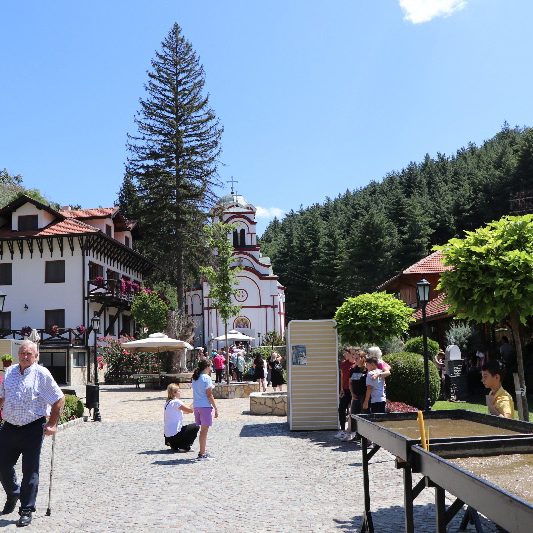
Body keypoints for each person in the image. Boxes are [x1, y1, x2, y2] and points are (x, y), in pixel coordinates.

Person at [0, 340, 65, 527]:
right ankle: (14, 493)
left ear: (36, 356)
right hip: (9, 426)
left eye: (29, 353)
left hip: (32, 428)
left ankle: (26, 509)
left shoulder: (41, 374)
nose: (25, 356)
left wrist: (52, 424)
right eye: (22, 353)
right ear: (18, 355)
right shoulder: (10, 372)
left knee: (29, 470)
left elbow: (59, 399)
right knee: (2, 465)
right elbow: (2, 397)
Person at [192, 360, 219, 460]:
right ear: (206, 367)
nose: (211, 368)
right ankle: (202, 453)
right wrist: (215, 408)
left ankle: (202, 451)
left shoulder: (195, 378)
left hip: (197, 406)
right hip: (205, 406)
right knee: (204, 431)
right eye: (210, 366)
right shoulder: (206, 378)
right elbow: (209, 395)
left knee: (202, 430)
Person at [164, 383, 199, 452]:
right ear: (174, 393)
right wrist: (197, 400)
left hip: (168, 438)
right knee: (196, 426)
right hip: (175, 436)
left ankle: (174, 444)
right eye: (179, 391)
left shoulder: (167, 402)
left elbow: (186, 411)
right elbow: (190, 410)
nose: (180, 392)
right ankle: (185, 447)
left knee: (181, 428)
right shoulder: (176, 402)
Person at [343, 350, 367, 441]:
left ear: (362, 358)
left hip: (364, 396)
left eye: (357, 358)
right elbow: (350, 383)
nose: (355, 360)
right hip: (355, 395)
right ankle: (357, 435)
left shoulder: (367, 369)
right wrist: (352, 394)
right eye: (354, 358)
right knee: (354, 415)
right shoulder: (353, 369)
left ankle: (365, 438)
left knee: (364, 416)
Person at [336, 347, 356, 439]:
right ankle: (342, 430)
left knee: (353, 411)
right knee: (341, 409)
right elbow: (342, 376)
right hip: (345, 390)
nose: (344, 354)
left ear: (350, 354)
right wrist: (341, 389)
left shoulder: (355, 364)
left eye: (345, 353)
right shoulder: (343, 364)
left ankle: (353, 431)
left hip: (354, 391)